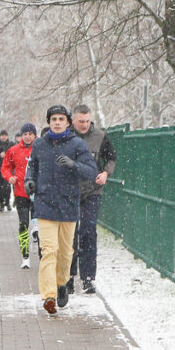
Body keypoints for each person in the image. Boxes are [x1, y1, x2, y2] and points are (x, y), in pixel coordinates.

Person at [24, 105, 97, 317]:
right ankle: (48, 296)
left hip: (68, 205)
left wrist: (73, 165)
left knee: (66, 254)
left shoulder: (77, 145)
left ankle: (62, 283)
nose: (57, 122)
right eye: (53, 119)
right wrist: (30, 180)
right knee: (49, 251)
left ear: (67, 122)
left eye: (60, 119)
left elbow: (91, 172)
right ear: (48, 122)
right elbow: (32, 167)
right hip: (45, 205)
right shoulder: (39, 144)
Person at [67, 105, 117, 294]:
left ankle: (88, 277)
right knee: (70, 233)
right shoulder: (66, 137)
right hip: (70, 192)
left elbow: (111, 158)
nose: (85, 125)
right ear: (73, 120)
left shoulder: (100, 136)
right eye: (81, 121)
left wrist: (105, 173)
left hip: (93, 190)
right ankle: (69, 276)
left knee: (88, 231)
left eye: (87, 121)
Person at [1, 123, 36, 268]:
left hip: (38, 193)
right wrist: (9, 177)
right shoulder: (13, 150)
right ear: (21, 136)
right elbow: (5, 167)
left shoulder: (40, 149)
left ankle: (41, 253)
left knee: (38, 226)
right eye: (25, 134)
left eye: (30, 134)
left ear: (35, 135)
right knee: (23, 224)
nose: (27, 136)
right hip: (20, 193)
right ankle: (25, 256)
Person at [0, 129, 14, 212]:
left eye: (5, 135)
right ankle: (1, 204)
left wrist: (7, 155)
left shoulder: (11, 144)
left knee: (7, 187)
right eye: (2, 135)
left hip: (8, 168)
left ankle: (8, 203)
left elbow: (14, 154)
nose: (4, 137)